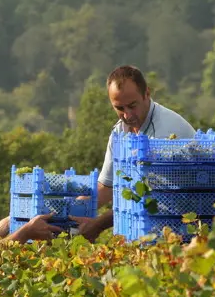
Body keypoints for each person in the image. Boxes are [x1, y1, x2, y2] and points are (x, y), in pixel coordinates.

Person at [70, 65, 197, 241]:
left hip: (182, 230)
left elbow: (153, 199)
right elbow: (106, 187)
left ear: (147, 94)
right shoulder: (120, 132)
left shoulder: (165, 132)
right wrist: (68, 214)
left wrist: (98, 224)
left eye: (132, 106)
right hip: (148, 230)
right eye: (119, 108)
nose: (128, 115)